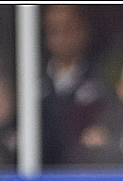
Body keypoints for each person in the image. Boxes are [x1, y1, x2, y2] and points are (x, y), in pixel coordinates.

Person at [40, 4, 110, 166]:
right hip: (43, 176)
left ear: (83, 30)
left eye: (68, 28)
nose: (61, 37)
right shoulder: (32, 78)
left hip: (84, 175)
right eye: (53, 30)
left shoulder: (101, 76)